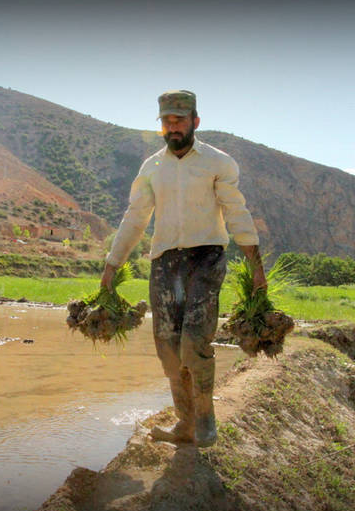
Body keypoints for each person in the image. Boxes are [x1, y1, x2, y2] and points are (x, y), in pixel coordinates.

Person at [100, 90, 267, 447]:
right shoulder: (151, 167)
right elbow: (136, 218)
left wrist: (256, 266)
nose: (172, 127)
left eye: (179, 120)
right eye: (166, 121)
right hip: (164, 263)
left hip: (205, 257)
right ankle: (185, 422)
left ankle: (206, 419)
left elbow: (236, 212)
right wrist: (112, 266)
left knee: (194, 340)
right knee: (167, 347)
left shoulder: (218, 163)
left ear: (195, 121)